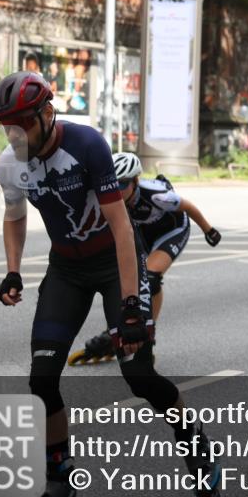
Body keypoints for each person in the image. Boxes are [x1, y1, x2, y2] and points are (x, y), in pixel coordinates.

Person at [0, 72, 222, 497]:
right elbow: (14, 216)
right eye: (5, 128)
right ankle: (59, 485)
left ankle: (194, 443)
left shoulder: (87, 144)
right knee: (42, 379)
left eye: (20, 126)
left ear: (45, 114)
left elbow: (121, 228)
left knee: (138, 376)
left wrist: (134, 303)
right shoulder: (8, 164)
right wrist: (13, 268)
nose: (13, 136)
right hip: (67, 270)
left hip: (114, 263)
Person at [69, 152, 222, 364]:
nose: (117, 190)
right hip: (143, 232)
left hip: (172, 230)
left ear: (136, 181)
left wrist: (209, 230)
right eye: (113, 184)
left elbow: (188, 207)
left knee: (149, 278)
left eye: (123, 185)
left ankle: (148, 332)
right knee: (124, 277)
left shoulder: (157, 195)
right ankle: (116, 328)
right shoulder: (109, 198)